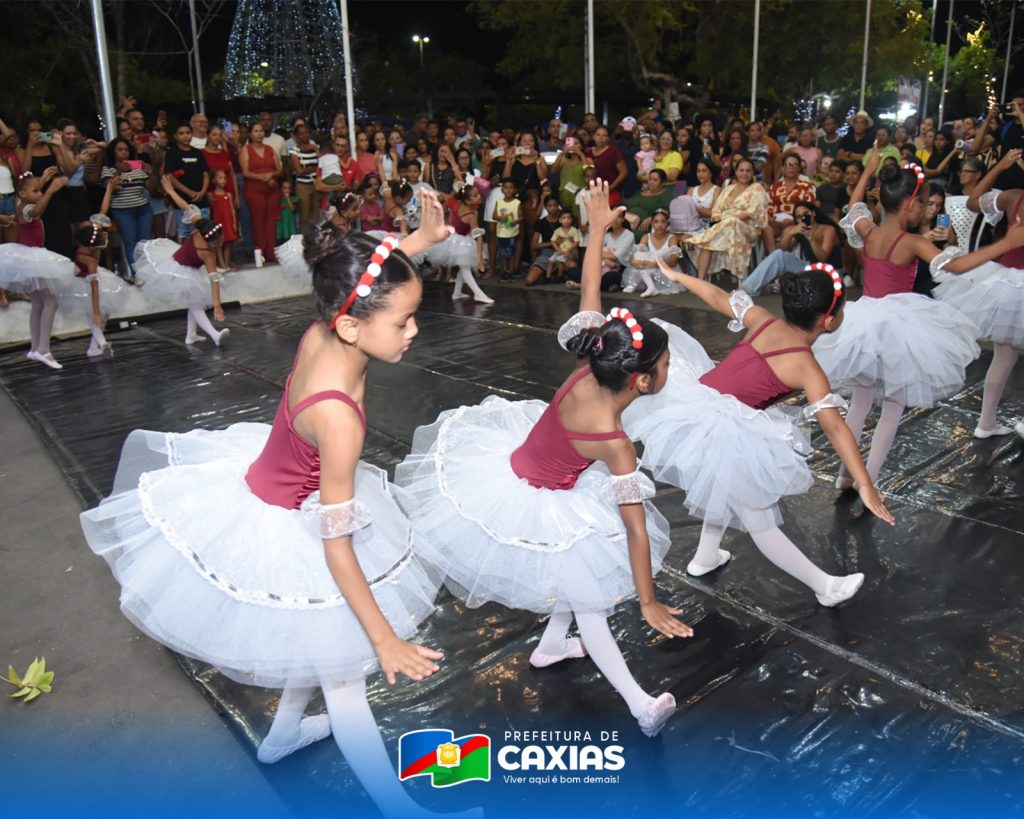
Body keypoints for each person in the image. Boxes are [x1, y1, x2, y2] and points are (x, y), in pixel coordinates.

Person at [79, 194, 468, 819]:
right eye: (403, 322)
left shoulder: (325, 327)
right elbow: (336, 548)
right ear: (352, 325)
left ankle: (283, 734)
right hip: (291, 526)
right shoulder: (339, 422)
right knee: (345, 681)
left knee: (311, 632)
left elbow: (361, 270)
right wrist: (384, 638)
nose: (413, 330)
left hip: (274, 488)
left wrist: (417, 243)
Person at [395, 181, 690, 738]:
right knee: (591, 597)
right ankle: (639, 704)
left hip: (527, 469)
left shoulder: (589, 361)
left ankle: (553, 644)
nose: (670, 371)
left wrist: (597, 231)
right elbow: (635, 530)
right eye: (667, 364)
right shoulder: (613, 440)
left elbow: (589, 296)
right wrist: (648, 601)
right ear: (642, 380)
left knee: (574, 569)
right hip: (534, 497)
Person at [625, 261, 894, 605]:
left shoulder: (763, 320)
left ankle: (705, 556)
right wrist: (865, 483)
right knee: (759, 516)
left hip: (697, 405)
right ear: (828, 322)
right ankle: (825, 587)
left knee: (724, 484)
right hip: (719, 426)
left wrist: (678, 276)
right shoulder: (807, 367)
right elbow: (836, 428)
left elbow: (717, 295)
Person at [816, 153, 1024, 487]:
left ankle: (845, 474)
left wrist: (868, 171)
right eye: (924, 204)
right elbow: (955, 266)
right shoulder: (910, 241)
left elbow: (853, 207)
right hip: (898, 325)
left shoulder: (869, 231)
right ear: (911, 205)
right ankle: (868, 479)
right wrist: (1005, 245)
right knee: (893, 406)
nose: (926, 210)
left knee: (861, 401)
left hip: (863, 321)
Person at [933, 149, 1024, 438]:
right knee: (1005, 356)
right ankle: (988, 423)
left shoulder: (1014, 196)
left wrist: (999, 166)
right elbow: (973, 203)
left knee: (1004, 356)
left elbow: (974, 200)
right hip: (1013, 284)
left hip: (1007, 282)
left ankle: (986, 422)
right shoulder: (1014, 196)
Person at [135, 176, 230, 346]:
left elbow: (185, 206)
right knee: (195, 303)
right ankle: (214, 335)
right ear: (206, 239)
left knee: (194, 301)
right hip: (177, 268)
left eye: (220, 241)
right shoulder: (208, 253)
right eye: (215, 243)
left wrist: (170, 190)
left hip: (190, 268)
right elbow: (214, 281)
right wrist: (217, 306)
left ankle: (191, 335)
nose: (219, 244)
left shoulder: (201, 224)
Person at [0, 168, 73, 368]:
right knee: (51, 302)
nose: (39, 194)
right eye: (35, 191)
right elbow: (37, 211)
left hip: (30, 257)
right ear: (23, 194)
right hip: (33, 259)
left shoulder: (22, 204)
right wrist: (51, 190)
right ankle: (44, 350)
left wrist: (44, 180)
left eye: (40, 191)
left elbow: (34, 198)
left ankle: (35, 348)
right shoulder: (26, 209)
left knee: (38, 303)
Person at [686, 158, 767, 281]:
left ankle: (700, 239)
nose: (744, 174)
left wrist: (728, 217)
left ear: (752, 173)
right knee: (709, 242)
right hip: (724, 226)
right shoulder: (729, 188)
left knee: (730, 223)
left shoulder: (757, 188)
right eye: (741, 170)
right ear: (736, 171)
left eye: (748, 171)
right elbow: (716, 209)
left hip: (747, 227)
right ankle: (701, 281)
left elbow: (752, 211)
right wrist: (719, 218)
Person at [744, 202, 841, 295]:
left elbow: (823, 258)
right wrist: (790, 234)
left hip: (830, 274)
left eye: (805, 214)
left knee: (793, 280)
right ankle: (747, 289)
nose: (803, 218)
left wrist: (811, 239)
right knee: (779, 255)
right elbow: (784, 250)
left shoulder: (828, 229)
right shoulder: (801, 229)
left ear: (813, 213)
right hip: (811, 270)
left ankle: (788, 285)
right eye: (799, 217)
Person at [241, 122, 282, 264]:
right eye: (256, 131)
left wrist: (271, 176)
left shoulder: (270, 149)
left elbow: (279, 169)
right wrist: (263, 178)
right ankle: (261, 252)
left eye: (261, 131)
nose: (259, 134)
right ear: (250, 134)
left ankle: (272, 252)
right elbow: (246, 172)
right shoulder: (246, 149)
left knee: (271, 221)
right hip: (255, 189)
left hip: (272, 189)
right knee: (258, 221)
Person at [621, 210, 683, 297]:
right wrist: (635, 262)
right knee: (638, 254)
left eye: (663, 222)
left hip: (664, 271)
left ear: (667, 223)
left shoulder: (672, 238)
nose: (660, 225)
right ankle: (650, 286)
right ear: (652, 223)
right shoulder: (647, 237)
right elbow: (637, 255)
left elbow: (674, 261)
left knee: (659, 254)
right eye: (656, 222)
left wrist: (654, 264)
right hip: (649, 271)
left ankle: (648, 287)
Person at [209, 169, 239, 271]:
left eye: (224, 178)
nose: (223, 180)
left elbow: (232, 209)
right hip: (218, 221)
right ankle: (221, 262)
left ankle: (226, 262)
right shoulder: (211, 195)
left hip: (227, 221)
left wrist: (234, 223)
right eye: (220, 178)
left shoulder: (228, 195)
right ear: (213, 180)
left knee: (228, 241)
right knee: (219, 242)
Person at [494, 177, 521, 280]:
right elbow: (494, 216)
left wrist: (515, 221)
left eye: (511, 187)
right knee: (503, 253)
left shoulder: (517, 203)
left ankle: (511, 271)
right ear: (502, 190)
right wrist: (501, 218)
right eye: (506, 187)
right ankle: (504, 271)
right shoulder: (499, 202)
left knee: (511, 253)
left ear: (515, 190)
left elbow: (521, 217)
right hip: (501, 233)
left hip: (512, 233)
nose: (508, 190)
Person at [276, 179, 299, 243]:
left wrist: (288, 198)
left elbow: (292, 209)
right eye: (284, 188)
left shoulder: (293, 199)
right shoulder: (278, 199)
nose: (287, 190)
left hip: (289, 220)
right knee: (280, 236)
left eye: (289, 188)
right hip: (281, 221)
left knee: (289, 236)